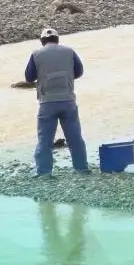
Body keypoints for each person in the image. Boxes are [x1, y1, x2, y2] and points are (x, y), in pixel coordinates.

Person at [25, 28, 89, 177]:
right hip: (68, 101)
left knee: (45, 140)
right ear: (57, 39)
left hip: (47, 103)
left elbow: (29, 77)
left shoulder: (36, 54)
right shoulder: (69, 51)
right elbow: (79, 72)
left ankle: (44, 173)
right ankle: (82, 168)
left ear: (42, 41)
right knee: (75, 138)